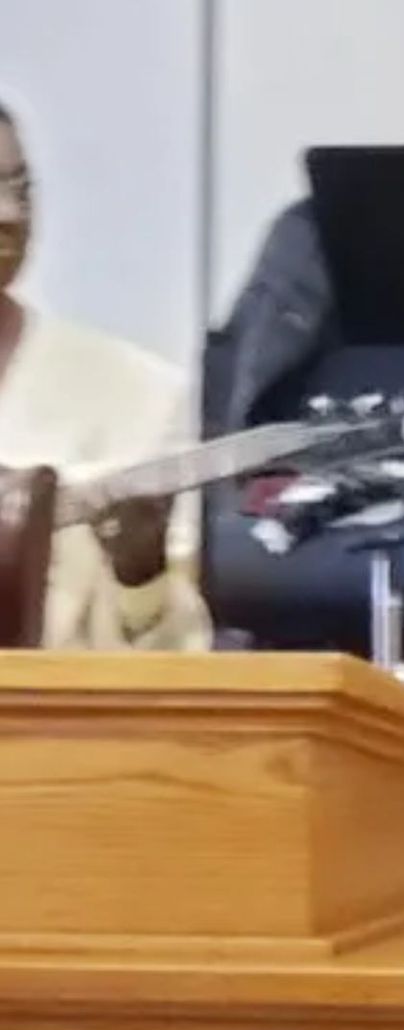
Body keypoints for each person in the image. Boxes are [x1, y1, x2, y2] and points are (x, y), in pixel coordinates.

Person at [0, 102, 208, 652]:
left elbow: (180, 671)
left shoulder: (136, 399)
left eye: (21, 189)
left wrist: (142, 579)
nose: (10, 214)